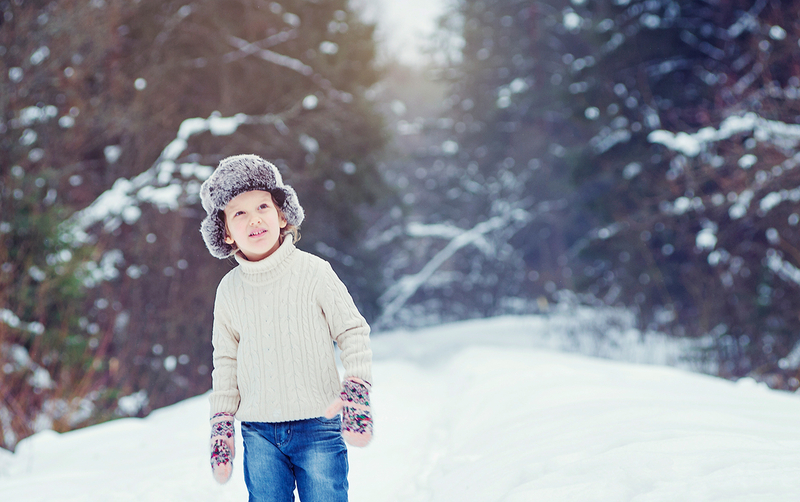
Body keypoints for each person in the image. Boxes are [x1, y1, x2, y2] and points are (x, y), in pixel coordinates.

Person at [199, 154, 373, 501]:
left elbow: (352, 331)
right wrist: (221, 424)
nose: (254, 220)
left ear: (282, 214)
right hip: (259, 433)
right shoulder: (230, 291)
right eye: (239, 213)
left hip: (319, 425)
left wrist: (357, 392)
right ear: (226, 233)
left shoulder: (315, 272)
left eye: (263, 206)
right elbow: (226, 362)